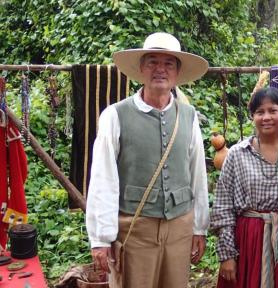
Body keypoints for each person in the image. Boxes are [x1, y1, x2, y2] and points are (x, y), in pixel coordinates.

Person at [86, 32, 210, 288]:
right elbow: (103, 178)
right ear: (141, 68)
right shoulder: (115, 115)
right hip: (135, 230)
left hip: (179, 227)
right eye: (153, 61)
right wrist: (100, 238)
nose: (160, 69)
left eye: (169, 63)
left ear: (177, 72)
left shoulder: (188, 116)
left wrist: (199, 227)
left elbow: (197, 174)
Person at [210, 87, 278, 288]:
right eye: (259, 112)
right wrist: (227, 255)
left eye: (273, 110)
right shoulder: (237, 154)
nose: (266, 117)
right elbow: (223, 207)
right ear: (252, 116)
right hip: (248, 240)